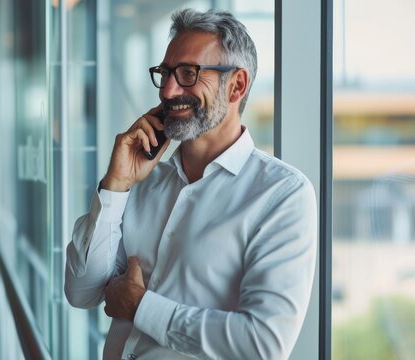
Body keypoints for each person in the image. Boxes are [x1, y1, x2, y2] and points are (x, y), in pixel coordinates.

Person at [64, 8, 317, 360]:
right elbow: (80, 291)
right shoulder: (139, 181)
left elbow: (261, 345)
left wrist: (140, 306)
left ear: (237, 86)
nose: (168, 90)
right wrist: (115, 185)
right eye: (165, 73)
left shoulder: (282, 195)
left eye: (188, 74)